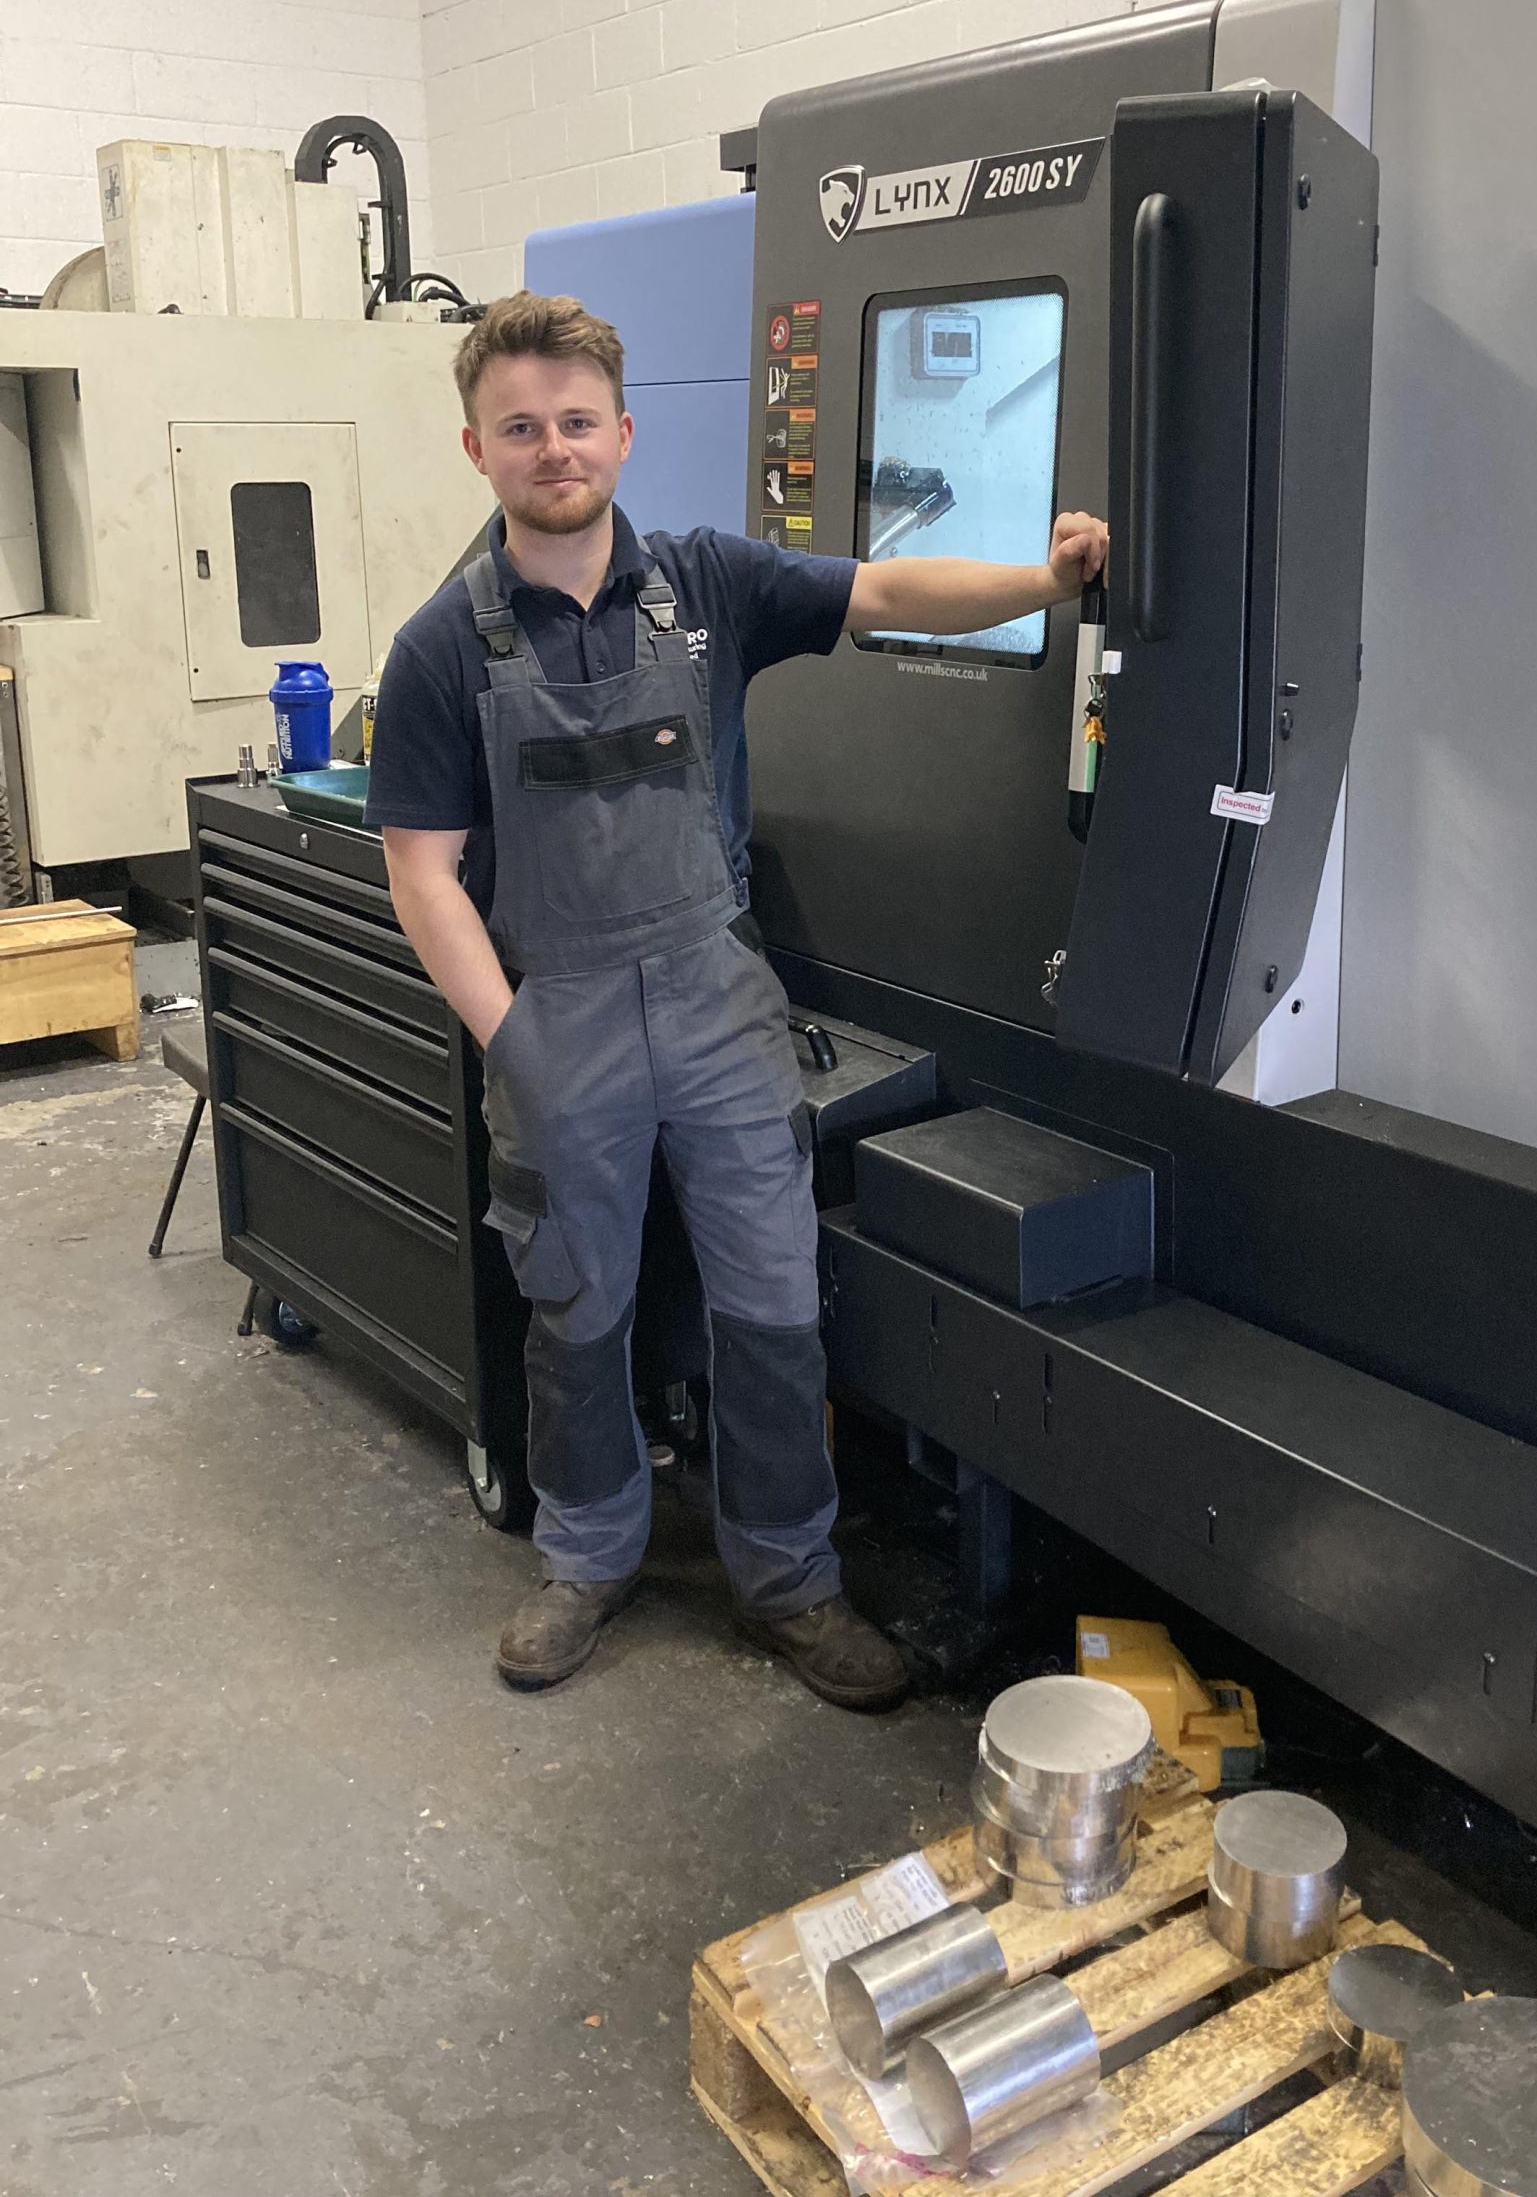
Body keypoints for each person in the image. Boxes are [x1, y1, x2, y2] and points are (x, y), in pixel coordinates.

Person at [367, 291, 1109, 1704]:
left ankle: (790, 1582)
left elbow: (888, 592)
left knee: (772, 1304)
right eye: (520, 427)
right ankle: (587, 1556)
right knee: (572, 1306)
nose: (553, 448)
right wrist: (515, 1042)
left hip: (716, 1004)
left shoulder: (706, 584)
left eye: (577, 422)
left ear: (624, 433)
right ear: (478, 450)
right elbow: (422, 873)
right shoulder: (440, 651)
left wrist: (1050, 580)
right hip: (560, 1016)